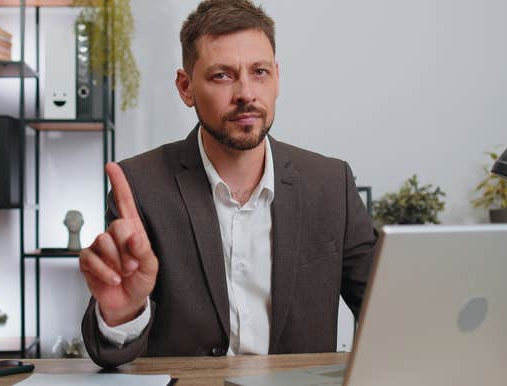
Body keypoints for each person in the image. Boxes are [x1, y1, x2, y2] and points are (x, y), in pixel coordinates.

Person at [79, 0, 377, 368]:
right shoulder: (140, 187)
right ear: (186, 87)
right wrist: (124, 314)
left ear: (277, 78)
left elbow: (390, 315)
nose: (246, 93)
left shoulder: (330, 185)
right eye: (222, 75)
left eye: (260, 72)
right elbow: (110, 354)